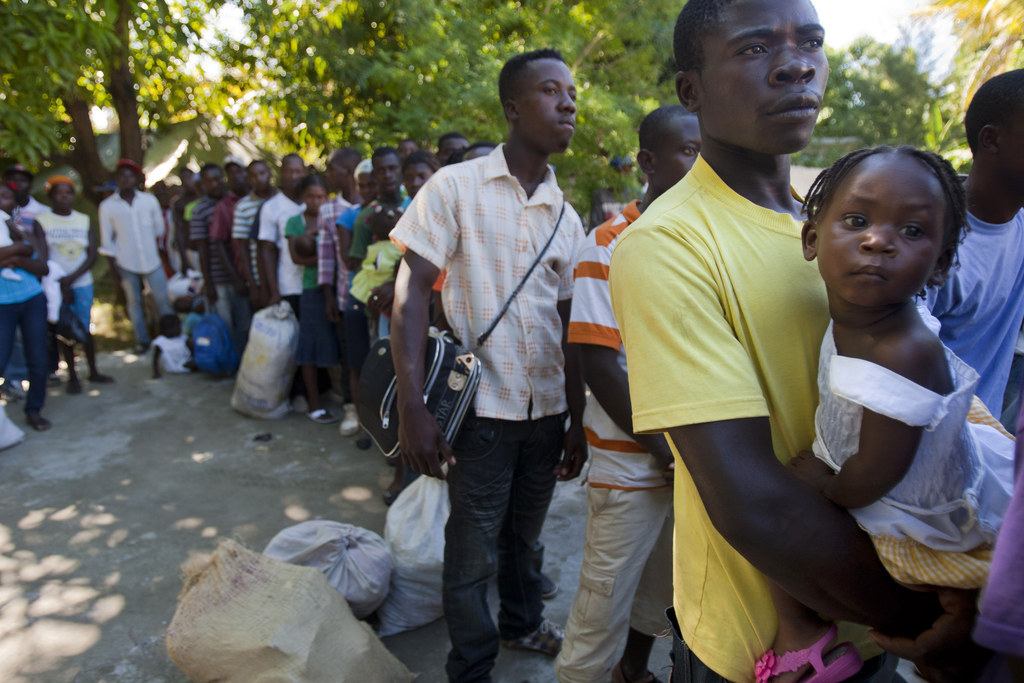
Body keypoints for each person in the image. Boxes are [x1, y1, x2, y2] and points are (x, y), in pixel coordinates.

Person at [608, 1, 990, 681]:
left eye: (810, 41)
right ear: (690, 89)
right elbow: (756, 503)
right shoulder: (667, 245)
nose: (795, 64)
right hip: (768, 643)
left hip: (877, 619)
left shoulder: (844, 216)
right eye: (755, 49)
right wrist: (930, 626)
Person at [758, 146, 1015, 682]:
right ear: (811, 239)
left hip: (911, 508)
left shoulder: (901, 350)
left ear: (940, 265)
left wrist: (823, 487)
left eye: (914, 232)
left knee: (771, 518)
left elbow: (877, 473)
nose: (878, 240)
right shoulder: (861, 315)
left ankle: (803, 640)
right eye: (856, 221)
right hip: (885, 472)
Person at [390, 48, 587, 682]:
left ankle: (523, 625)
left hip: (545, 412)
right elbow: (410, 294)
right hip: (480, 410)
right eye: (551, 91)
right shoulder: (455, 187)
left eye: (572, 93)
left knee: (525, 540)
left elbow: (568, 324)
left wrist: (577, 418)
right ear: (512, 108)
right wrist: (415, 407)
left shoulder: (566, 213)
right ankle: (470, 668)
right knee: (472, 555)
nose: (568, 103)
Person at [556, 104, 700, 683]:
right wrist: (663, 447)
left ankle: (633, 673)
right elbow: (599, 364)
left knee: (663, 587)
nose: (702, 163)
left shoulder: (703, 241)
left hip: (694, 459)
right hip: (633, 460)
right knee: (603, 597)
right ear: (648, 161)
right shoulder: (608, 243)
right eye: (689, 151)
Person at [925, 70, 1024, 425]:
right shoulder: (926, 242)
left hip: (987, 450)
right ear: (991, 140)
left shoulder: (1019, 224)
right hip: (923, 451)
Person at [34, 176, 114, 394]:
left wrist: (71, 279)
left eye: (68, 193)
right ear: (51, 196)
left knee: (84, 327)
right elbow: (42, 255)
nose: (64, 197)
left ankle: (94, 371)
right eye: (59, 193)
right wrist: (60, 282)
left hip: (81, 283)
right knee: (64, 330)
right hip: (56, 285)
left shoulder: (83, 219)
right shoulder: (43, 221)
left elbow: (91, 255)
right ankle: (73, 377)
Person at [99, 159, 174, 353]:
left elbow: (159, 229)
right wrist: (113, 270)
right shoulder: (107, 207)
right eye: (122, 175)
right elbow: (107, 242)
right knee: (134, 303)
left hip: (152, 261)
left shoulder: (149, 201)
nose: (126, 179)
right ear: (117, 179)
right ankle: (142, 341)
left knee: (163, 299)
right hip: (126, 263)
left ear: (136, 178)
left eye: (129, 175)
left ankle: (171, 339)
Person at [285, 174, 340, 424]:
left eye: (320, 196)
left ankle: (339, 394)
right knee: (309, 346)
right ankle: (313, 404)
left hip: (336, 286)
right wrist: (329, 256)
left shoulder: (333, 216)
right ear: (302, 197)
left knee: (336, 343)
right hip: (310, 288)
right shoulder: (295, 222)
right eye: (310, 196)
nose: (316, 201)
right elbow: (297, 258)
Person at [0, 184, 50, 430]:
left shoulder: (25, 232)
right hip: (2, 306)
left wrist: (15, 257)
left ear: (14, 205)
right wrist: (19, 251)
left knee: (38, 358)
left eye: (5, 197)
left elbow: (43, 267)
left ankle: (34, 410)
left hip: (32, 300)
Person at [208, 156, 252, 353]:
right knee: (243, 325)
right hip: (242, 277)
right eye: (231, 172)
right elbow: (218, 244)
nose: (236, 176)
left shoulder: (263, 199)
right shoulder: (223, 207)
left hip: (268, 278)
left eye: (240, 170)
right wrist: (236, 278)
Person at [258, 153, 307, 312]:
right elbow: (267, 250)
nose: (294, 176)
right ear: (281, 174)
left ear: (305, 173)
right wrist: (273, 290)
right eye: (289, 171)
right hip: (288, 285)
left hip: (314, 284)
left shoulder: (316, 201)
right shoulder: (271, 207)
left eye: (298, 171)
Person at [233, 160, 276, 311]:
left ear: (269, 173)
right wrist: (253, 285)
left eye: (262, 173)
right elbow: (243, 249)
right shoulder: (242, 206)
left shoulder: (283, 198)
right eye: (254, 176)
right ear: (248, 179)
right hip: (260, 278)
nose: (259, 178)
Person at [3, 163, 49, 232]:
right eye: (13, 180)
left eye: (22, 180)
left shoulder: (44, 212)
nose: (17, 183)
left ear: (30, 186)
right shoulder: (2, 210)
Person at [151, 313, 193, 379]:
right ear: (166, 329)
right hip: (170, 367)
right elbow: (155, 359)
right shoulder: (160, 342)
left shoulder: (183, 338)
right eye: (177, 327)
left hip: (186, 365)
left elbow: (192, 352)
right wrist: (156, 372)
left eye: (180, 326)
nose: (179, 329)